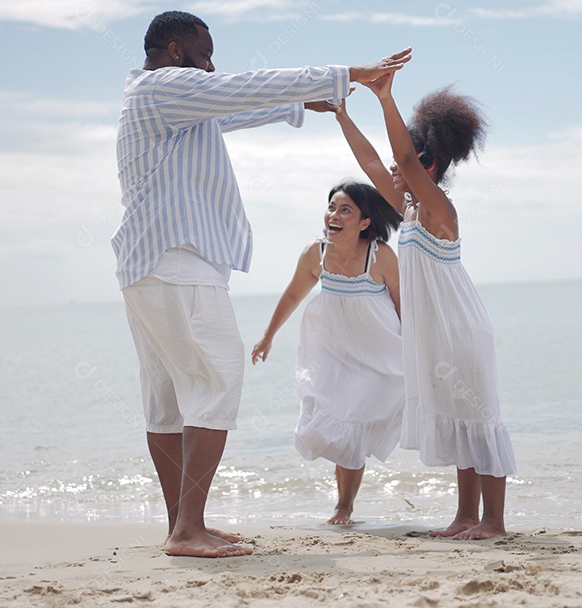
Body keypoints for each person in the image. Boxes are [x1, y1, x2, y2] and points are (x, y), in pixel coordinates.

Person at [111, 10, 410, 558]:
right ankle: (187, 529)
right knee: (216, 387)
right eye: (205, 53)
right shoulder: (164, 87)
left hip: (149, 269)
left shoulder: (159, 101)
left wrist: (302, 106)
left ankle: (183, 524)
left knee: (168, 403)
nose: (212, 64)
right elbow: (240, 87)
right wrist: (350, 75)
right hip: (179, 265)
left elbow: (232, 110)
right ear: (175, 52)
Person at [333, 63, 516, 540]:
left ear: (428, 163)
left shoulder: (440, 211)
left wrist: (385, 98)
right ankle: (464, 518)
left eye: (408, 162)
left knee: (479, 419)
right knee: (458, 422)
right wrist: (340, 113)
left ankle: (493, 522)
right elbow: (375, 164)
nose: (395, 170)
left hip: (460, 329)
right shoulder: (410, 211)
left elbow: (403, 163)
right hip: (435, 334)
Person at [251, 180, 404, 525]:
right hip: (331, 352)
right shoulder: (315, 253)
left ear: (365, 222)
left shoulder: (380, 256)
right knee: (330, 422)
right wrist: (267, 336)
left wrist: (418, 353)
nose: (333, 215)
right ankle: (343, 506)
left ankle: (343, 507)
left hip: (376, 354)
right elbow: (293, 295)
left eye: (345, 210)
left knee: (353, 426)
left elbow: (402, 304)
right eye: (332, 207)